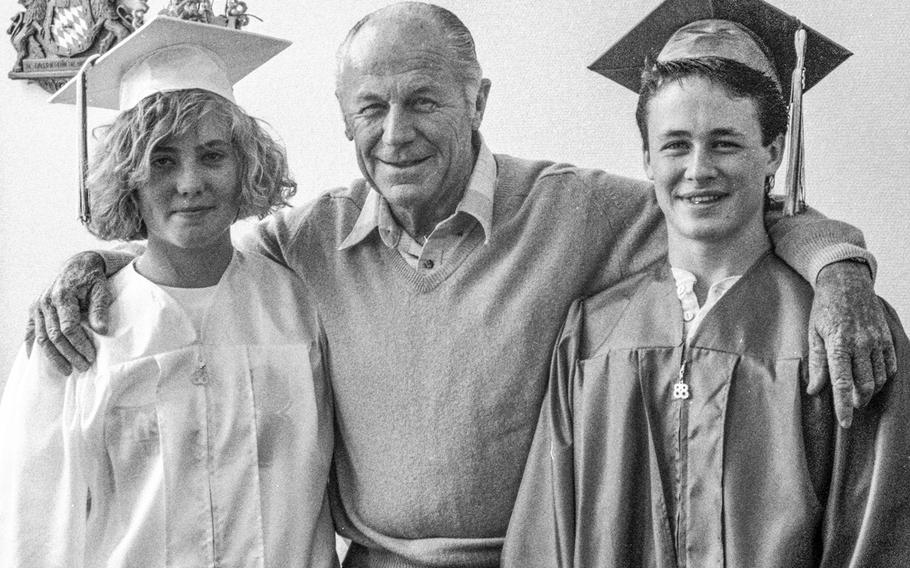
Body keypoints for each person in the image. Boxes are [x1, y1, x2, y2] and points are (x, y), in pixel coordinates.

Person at [24, 3, 896, 566]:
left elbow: (718, 209)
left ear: (478, 98)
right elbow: (194, 249)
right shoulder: (309, 240)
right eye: (371, 109)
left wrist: (840, 264)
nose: (395, 134)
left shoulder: (578, 212)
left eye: (424, 101)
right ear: (345, 120)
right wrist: (94, 266)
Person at [502, 1, 910, 565]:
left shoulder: (841, 329)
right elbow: (547, 538)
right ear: (646, 158)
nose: (698, 169)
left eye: (725, 142)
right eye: (675, 144)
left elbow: (878, 536)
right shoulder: (592, 333)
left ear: (773, 152)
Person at [0, 17, 337, 567]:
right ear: (127, 174)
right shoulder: (77, 334)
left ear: (245, 163)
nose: (189, 182)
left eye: (212, 155)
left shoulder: (299, 308)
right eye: (161, 159)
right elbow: (34, 530)